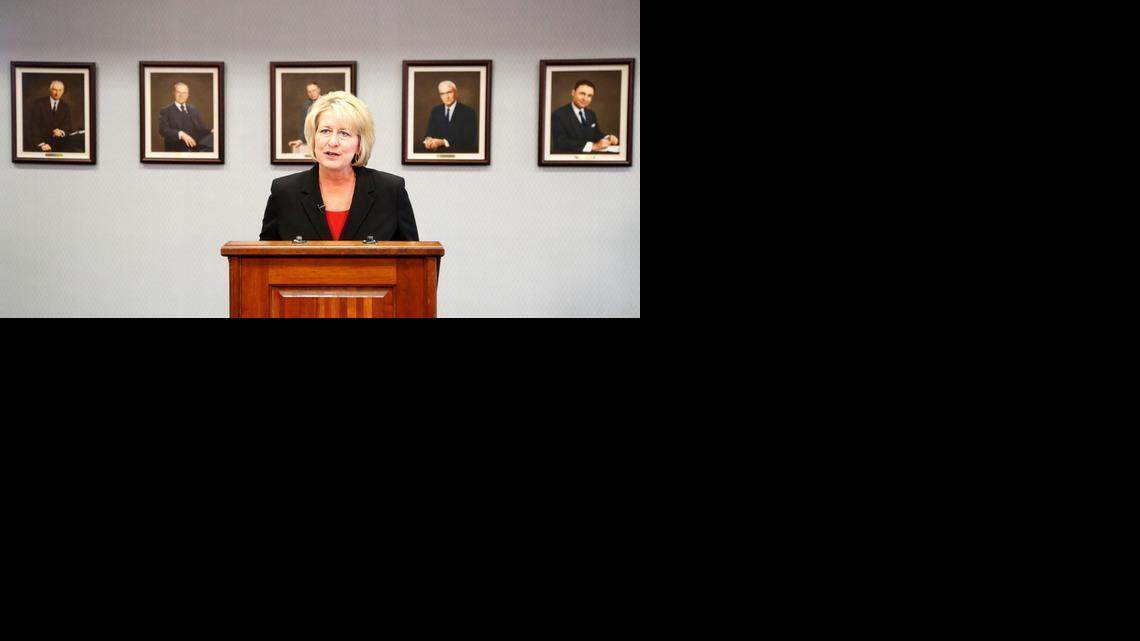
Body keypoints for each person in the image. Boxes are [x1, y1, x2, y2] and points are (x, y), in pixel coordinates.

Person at [260, 91, 419, 242]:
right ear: (313, 138)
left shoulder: (390, 191)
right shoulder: (284, 192)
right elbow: (261, 262)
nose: (333, 142)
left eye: (344, 133)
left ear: (359, 144)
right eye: (325, 131)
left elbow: (415, 262)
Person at [551, 80, 619, 153]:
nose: (585, 99)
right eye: (582, 94)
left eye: (589, 96)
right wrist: (593, 146)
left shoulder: (591, 114)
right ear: (573, 93)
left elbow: (596, 134)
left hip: (590, 158)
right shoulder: (558, 114)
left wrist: (608, 138)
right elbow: (560, 142)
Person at [422, 80, 477, 152]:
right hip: (438, 154)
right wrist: (428, 140)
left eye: (449, 92)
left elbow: (469, 140)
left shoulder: (468, 112)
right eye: (442, 94)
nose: (446, 97)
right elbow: (429, 133)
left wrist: (443, 142)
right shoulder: (436, 111)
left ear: (456, 93)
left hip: (459, 155)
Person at [158, 82, 214, 152]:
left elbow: (200, 127)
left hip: (195, 148)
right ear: (174, 93)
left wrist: (211, 130)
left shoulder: (193, 109)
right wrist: (181, 134)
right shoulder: (165, 110)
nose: (181, 95)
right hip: (176, 150)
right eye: (178, 92)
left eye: (184, 93)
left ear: (187, 95)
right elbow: (163, 130)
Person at [28, 80, 75, 152]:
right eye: (55, 90)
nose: (57, 93)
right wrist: (41, 144)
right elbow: (34, 126)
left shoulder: (65, 106)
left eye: (60, 90)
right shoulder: (39, 103)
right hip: (41, 144)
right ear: (50, 90)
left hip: (59, 145)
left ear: (63, 91)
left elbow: (68, 125)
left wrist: (61, 131)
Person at [288, 82, 321, 152]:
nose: (312, 93)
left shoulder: (326, 101)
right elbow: (303, 123)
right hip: (309, 138)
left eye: (314, 90)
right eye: (309, 92)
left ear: (319, 90)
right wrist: (300, 139)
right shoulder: (305, 104)